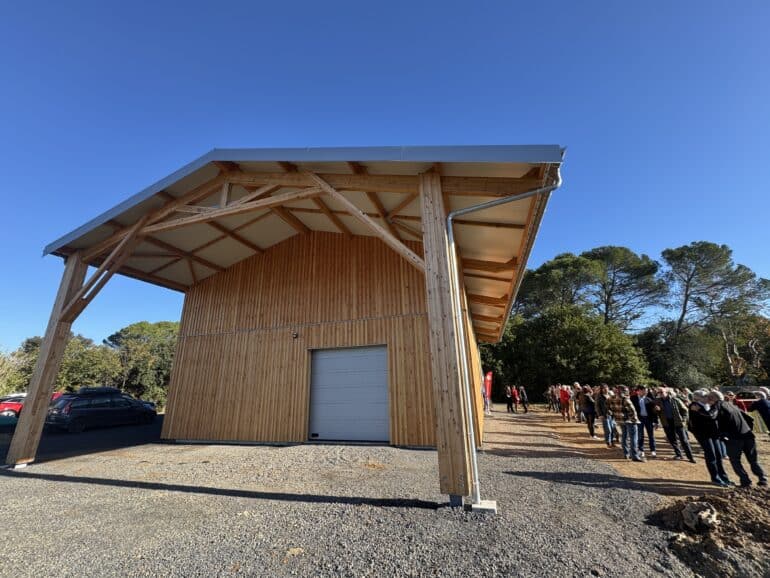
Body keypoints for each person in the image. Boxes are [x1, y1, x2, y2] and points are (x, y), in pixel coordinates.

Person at [707, 390, 768, 487]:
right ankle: (763, 479)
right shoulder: (732, 405)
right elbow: (749, 418)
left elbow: (710, 416)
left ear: (713, 399)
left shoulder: (717, 405)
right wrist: (747, 430)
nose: (707, 401)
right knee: (753, 460)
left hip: (734, 438)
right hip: (748, 435)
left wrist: (699, 411)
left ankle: (745, 482)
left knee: (735, 460)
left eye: (709, 399)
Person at [688, 390, 732, 487]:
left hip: (713, 434)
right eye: (705, 396)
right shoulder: (694, 406)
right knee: (711, 455)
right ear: (697, 398)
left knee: (718, 455)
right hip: (703, 435)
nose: (708, 398)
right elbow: (709, 417)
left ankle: (724, 477)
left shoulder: (708, 405)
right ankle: (715, 478)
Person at [652, 387, 695, 463]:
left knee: (684, 440)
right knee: (672, 440)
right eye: (659, 393)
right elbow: (655, 412)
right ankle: (678, 454)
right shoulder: (657, 401)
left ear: (667, 392)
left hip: (678, 422)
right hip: (667, 423)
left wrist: (683, 420)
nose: (660, 394)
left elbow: (685, 410)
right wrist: (656, 410)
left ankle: (690, 457)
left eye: (662, 392)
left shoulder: (675, 400)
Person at [615, 386, 645, 461]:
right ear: (624, 391)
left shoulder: (613, 398)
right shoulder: (626, 399)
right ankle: (634, 456)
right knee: (633, 438)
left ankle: (626, 454)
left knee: (624, 437)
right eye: (627, 390)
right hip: (630, 421)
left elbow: (608, 406)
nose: (628, 391)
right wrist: (635, 421)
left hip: (620, 420)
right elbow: (632, 411)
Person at [631, 385, 657, 458]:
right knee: (640, 435)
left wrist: (655, 421)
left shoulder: (649, 399)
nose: (646, 392)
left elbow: (654, 411)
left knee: (651, 436)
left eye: (646, 390)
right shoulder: (633, 399)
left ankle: (653, 450)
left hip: (648, 419)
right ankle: (641, 450)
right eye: (644, 390)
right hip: (639, 419)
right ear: (639, 391)